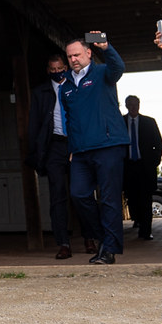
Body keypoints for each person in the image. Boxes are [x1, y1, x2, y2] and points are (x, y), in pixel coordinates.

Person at [59, 37, 128, 265]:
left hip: (108, 146)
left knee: (109, 199)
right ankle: (104, 239)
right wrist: (71, 148)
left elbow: (118, 67)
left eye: (77, 54)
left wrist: (107, 47)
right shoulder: (65, 86)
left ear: (88, 53)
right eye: (70, 56)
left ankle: (109, 250)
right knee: (78, 195)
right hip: (80, 151)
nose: (73, 59)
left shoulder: (102, 73)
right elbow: (68, 119)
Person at [25, 54, 98, 259]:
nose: (57, 72)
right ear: (48, 70)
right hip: (54, 147)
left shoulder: (78, 86)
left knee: (82, 194)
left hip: (77, 145)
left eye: (60, 68)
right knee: (58, 197)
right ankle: (63, 244)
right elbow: (34, 125)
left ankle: (89, 238)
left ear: (65, 67)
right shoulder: (41, 93)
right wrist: (35, 154)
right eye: (53, 69)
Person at [121, 96, 162, 241]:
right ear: (126, 106)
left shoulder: (149, 122)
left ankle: (146, 231)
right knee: (132, 198)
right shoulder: (121, 122)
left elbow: (158, 143)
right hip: (127, 166)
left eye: (136, 104)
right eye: (130, 104)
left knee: (146, 199)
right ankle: (137, 219)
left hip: (144, 166)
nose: (133, 107)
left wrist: (154, 161)